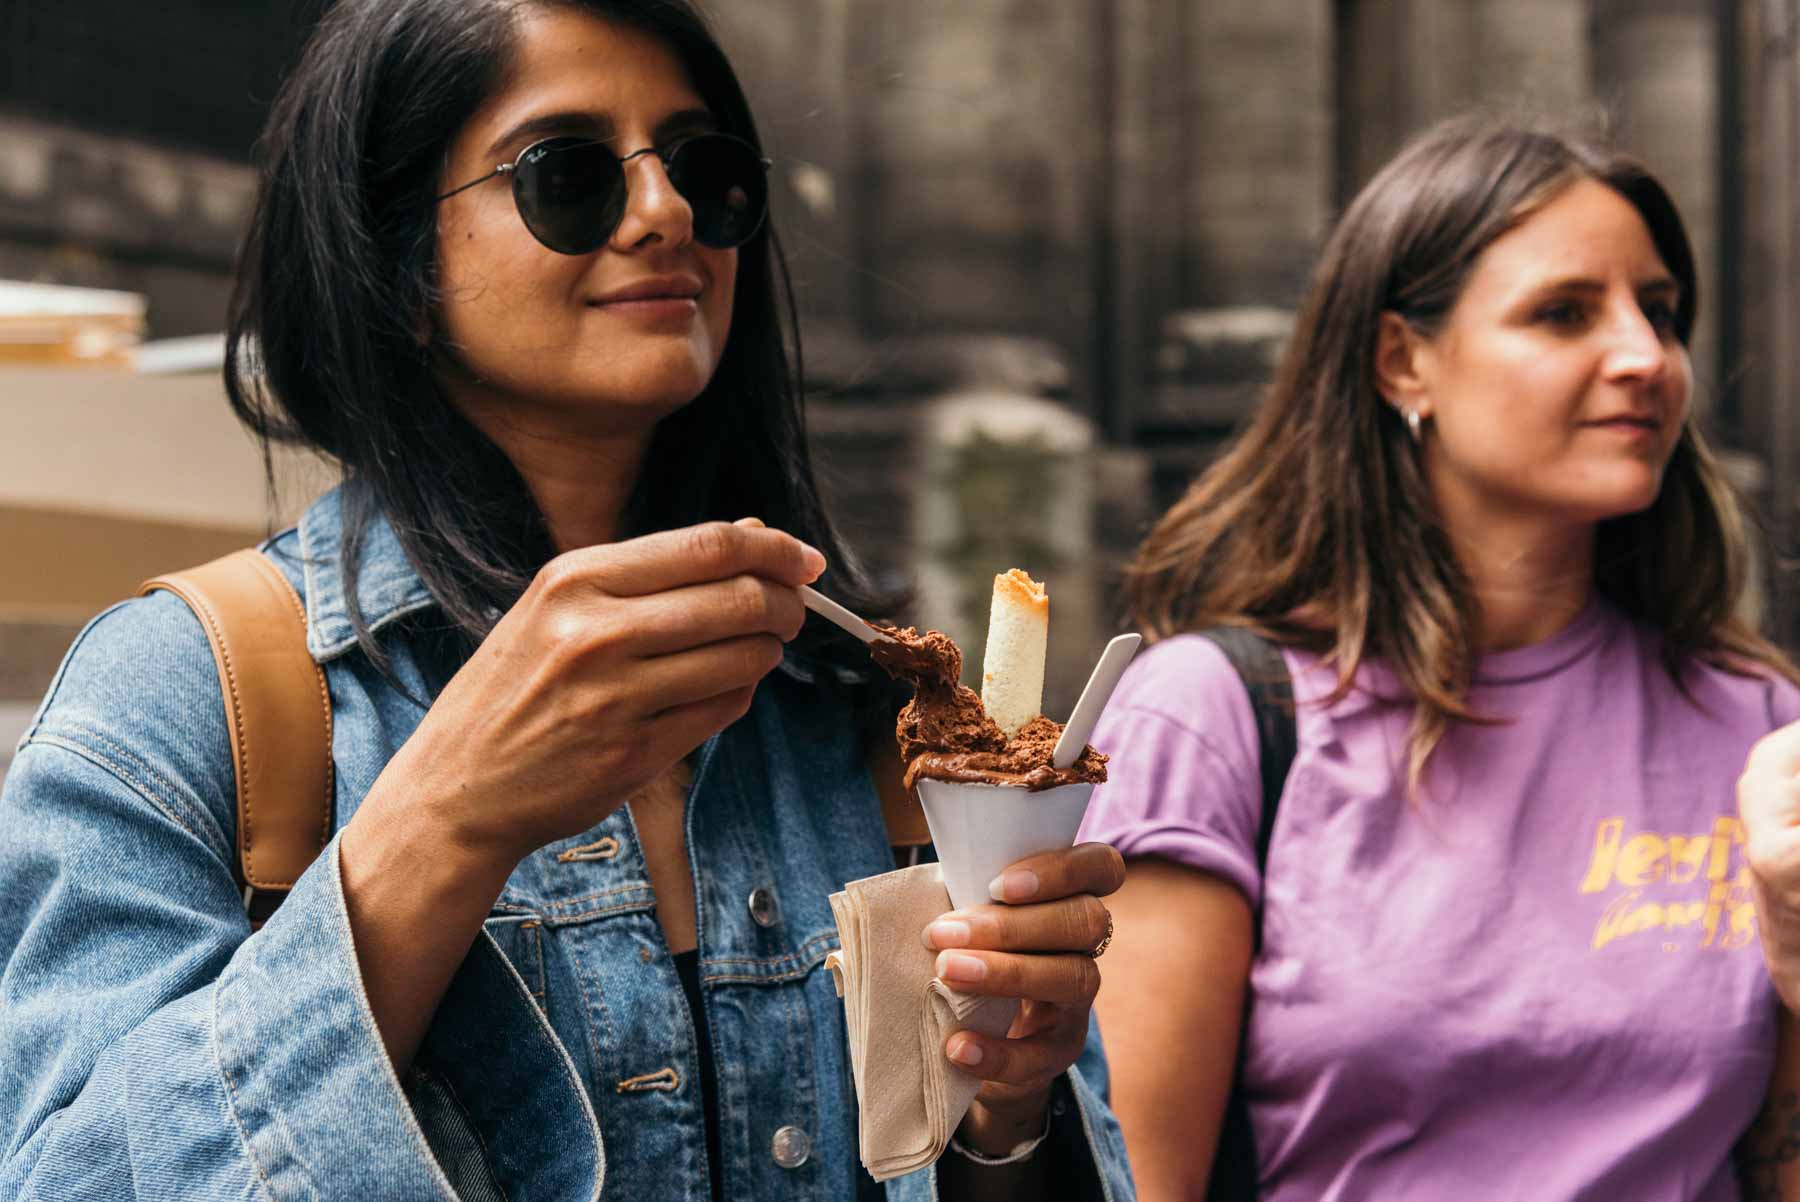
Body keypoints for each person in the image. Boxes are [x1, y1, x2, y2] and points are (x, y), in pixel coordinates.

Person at [0, 3, 1132, 1199]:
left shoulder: (863, 706)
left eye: (708, 171)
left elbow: (995, 1150)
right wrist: (440, 824)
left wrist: (1007, 1106)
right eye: (569, 173)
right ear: (397, 256)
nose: (667, 213)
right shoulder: (189, 699)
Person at [1079, 115, 1800, 1202]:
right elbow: (1138, 1180)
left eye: (1659, 311)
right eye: (1565, 312)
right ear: (1404, 358)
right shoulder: (1215, 715)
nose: (1647, 357)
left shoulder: (1760, 725)